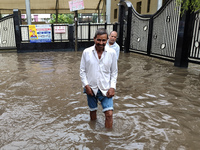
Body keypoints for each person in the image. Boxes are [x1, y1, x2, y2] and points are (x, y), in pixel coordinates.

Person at [80, 28, 118, 128]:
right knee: (93, 112)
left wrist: (112, 87)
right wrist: (86, 86)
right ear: (94, 39)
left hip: (106, 89)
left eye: (104, 40)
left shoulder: (112, 53)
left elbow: (114, 72)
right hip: (91, 88)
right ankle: (93, 135)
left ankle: (107, 139)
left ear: (107, 40)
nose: (101, 43)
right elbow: (82, 71)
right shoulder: (86, 52)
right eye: (99, 40)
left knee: (109, 114)